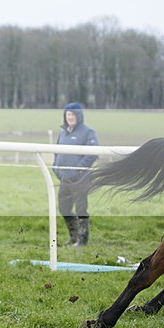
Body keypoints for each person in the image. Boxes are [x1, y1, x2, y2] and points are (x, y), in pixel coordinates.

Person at [53, 102, 99, 247]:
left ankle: (83, 240)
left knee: (81, 209)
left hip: (81, 179)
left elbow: (93, 153)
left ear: (79, 116)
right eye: (68, 114)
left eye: (73, 114)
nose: (70, 117)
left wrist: (78, 169)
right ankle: (74, 236)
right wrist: (56, 168)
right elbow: (57, 152)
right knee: (64, 208)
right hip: (65, 178)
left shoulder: (88, 132)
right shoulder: (62, 133)